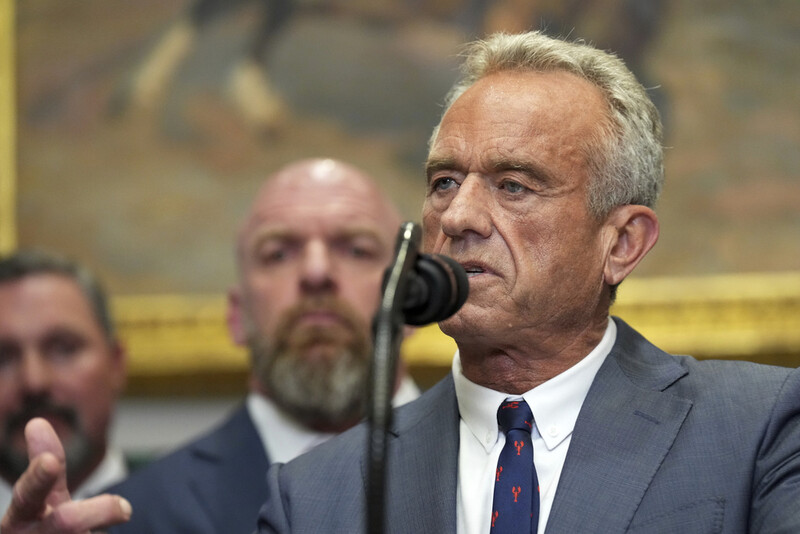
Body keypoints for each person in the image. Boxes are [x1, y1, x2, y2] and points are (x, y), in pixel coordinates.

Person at [5, 31, 800, 534]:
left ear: (622, 242)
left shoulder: (757, 430)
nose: (459, 217)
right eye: (444, 180)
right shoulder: (316, 496)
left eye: (514, 185)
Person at [99, 158, 419, 534]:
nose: (316, 272)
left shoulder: (492, 473)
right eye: (278, 254)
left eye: (356, 250)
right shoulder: (133, 516)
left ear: (413, 301)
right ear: (237, 316)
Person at [0, 250, 127, 517]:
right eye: (2, 358)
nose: (34, 382)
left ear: (117, 364)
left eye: (63, 349)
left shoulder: (193, 510)